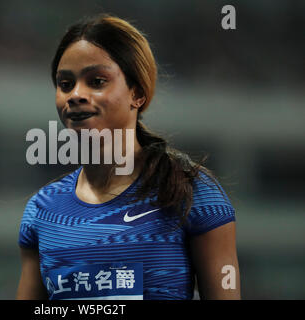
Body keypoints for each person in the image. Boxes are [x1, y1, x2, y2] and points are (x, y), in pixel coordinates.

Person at [16, 14, 240, 300]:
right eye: (65, 83)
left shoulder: (194, 194)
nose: (75, 94)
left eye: (96, 81)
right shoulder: (42, 211)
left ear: (137, 93)